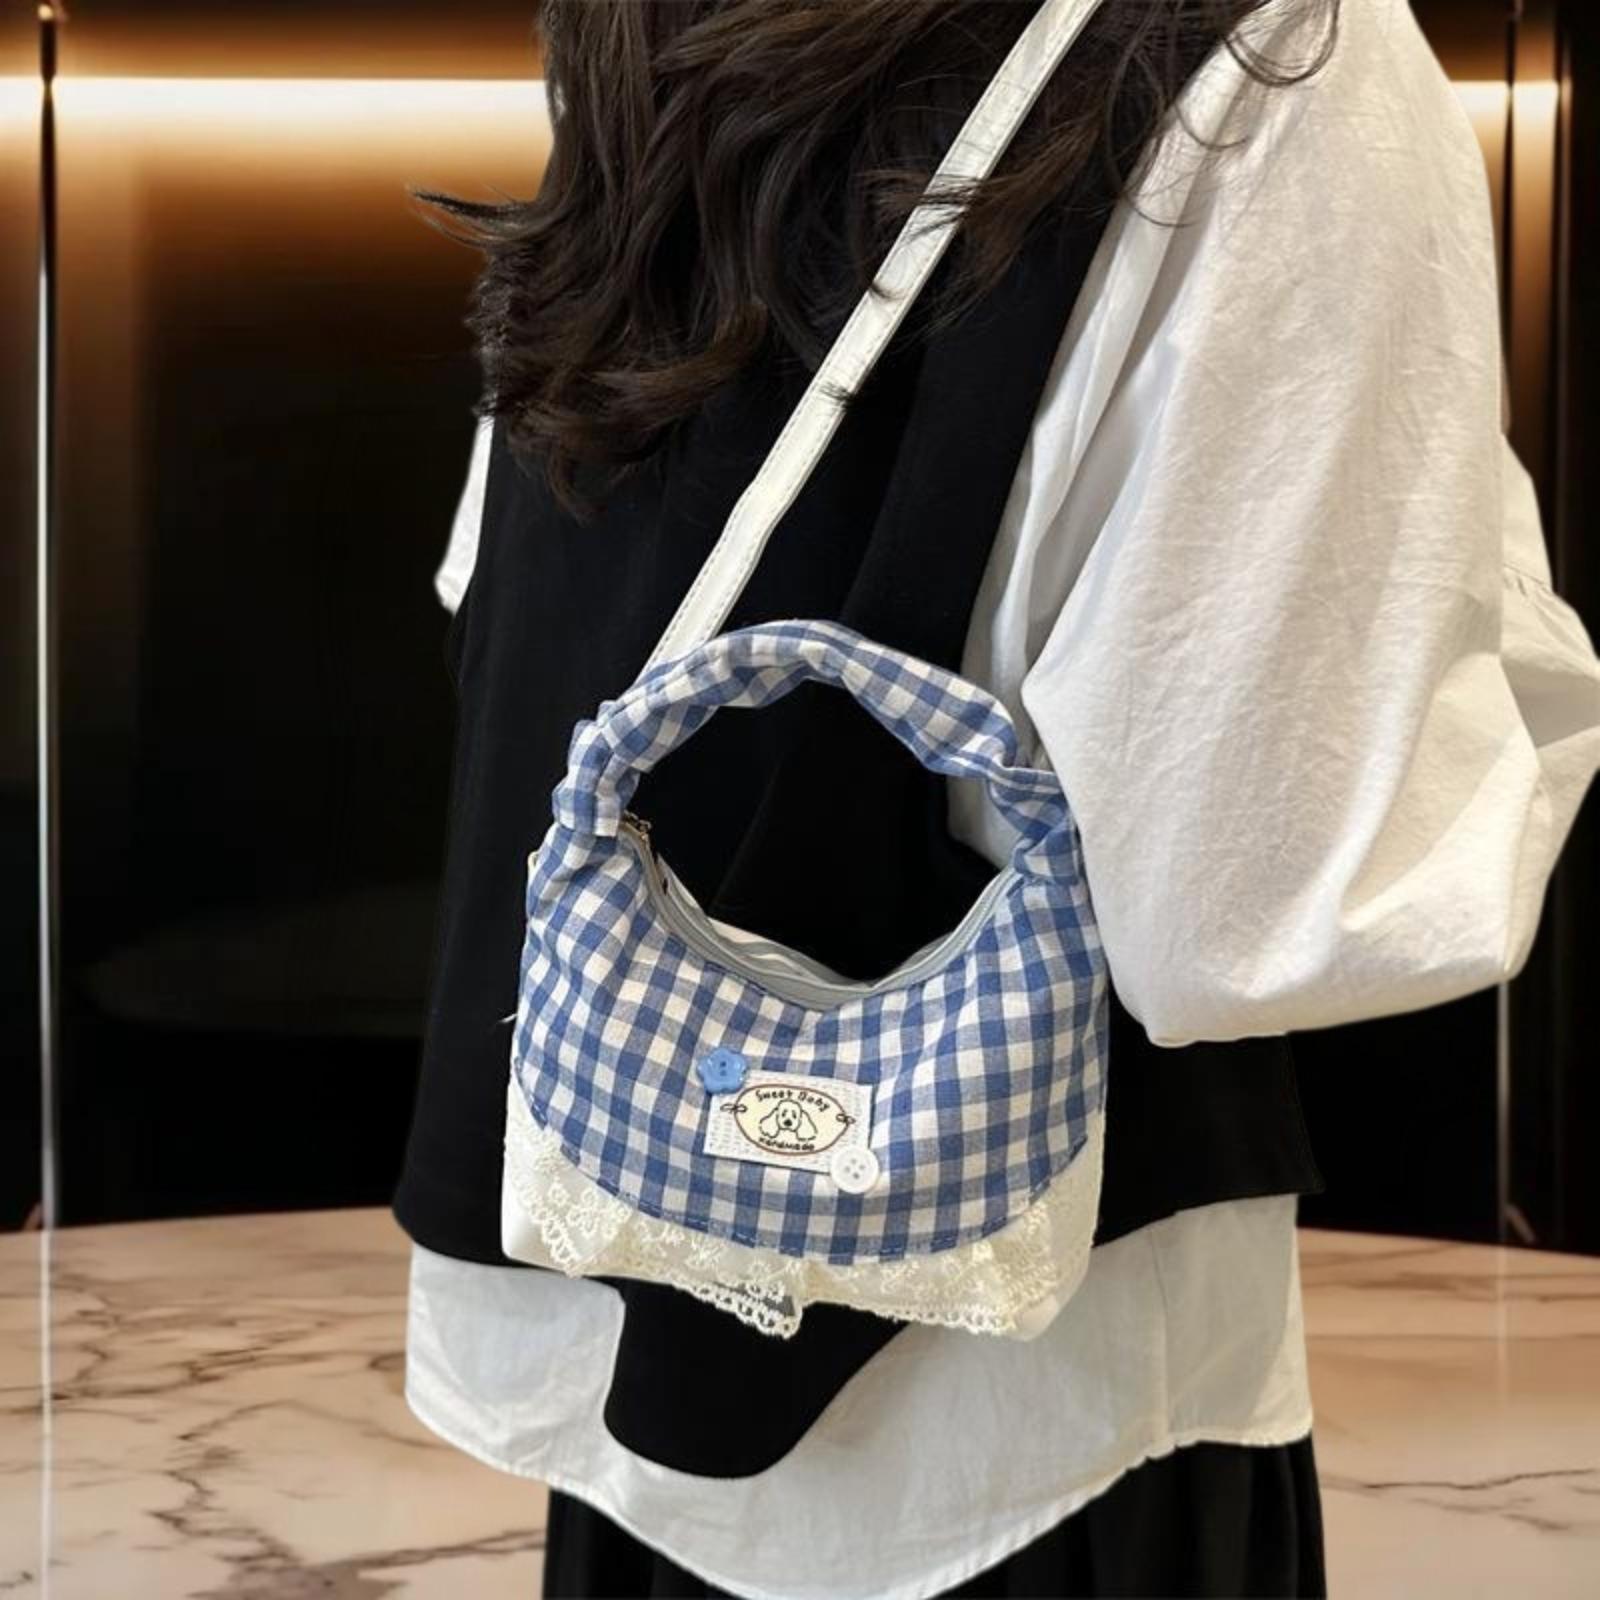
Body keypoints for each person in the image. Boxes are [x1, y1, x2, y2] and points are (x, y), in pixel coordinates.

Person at [392, 1, 1600, 1596]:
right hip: (1029, 1426)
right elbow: (1278, 904)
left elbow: (502, 597)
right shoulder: (1287, 49)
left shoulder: (648, 31)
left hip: (616, 1261)